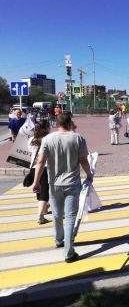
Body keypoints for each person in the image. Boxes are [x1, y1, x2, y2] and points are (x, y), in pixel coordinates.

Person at [32, 112, 92, 263]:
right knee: (70, 216)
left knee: (57, 214)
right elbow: (83, 159)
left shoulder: (47, 139)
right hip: (72, 183)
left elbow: (40, 162)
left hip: (54, 184)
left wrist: (36, 182)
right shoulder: (77, 137)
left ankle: (59, 240)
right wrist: (89, 174)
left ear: (57, 124)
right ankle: (69, 252)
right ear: (69, 123)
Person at [28, 120, 51, 224]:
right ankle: (40, 216)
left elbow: (30, 153)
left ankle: (45, 208)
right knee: (45, 192)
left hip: (33, 168)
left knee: (40, 191)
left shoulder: (31, 140)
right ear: (46, 128)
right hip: (45, 167)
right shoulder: (48, 140)